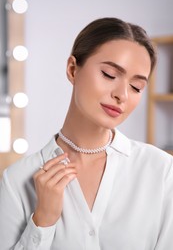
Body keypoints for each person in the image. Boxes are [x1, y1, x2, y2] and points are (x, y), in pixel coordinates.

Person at [0, 17, 173, 250]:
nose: (122, 94)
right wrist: (42, 222)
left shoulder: (162, 171)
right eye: (110, 75)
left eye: (136, 87)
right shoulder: (17, 181)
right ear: (72, 69)